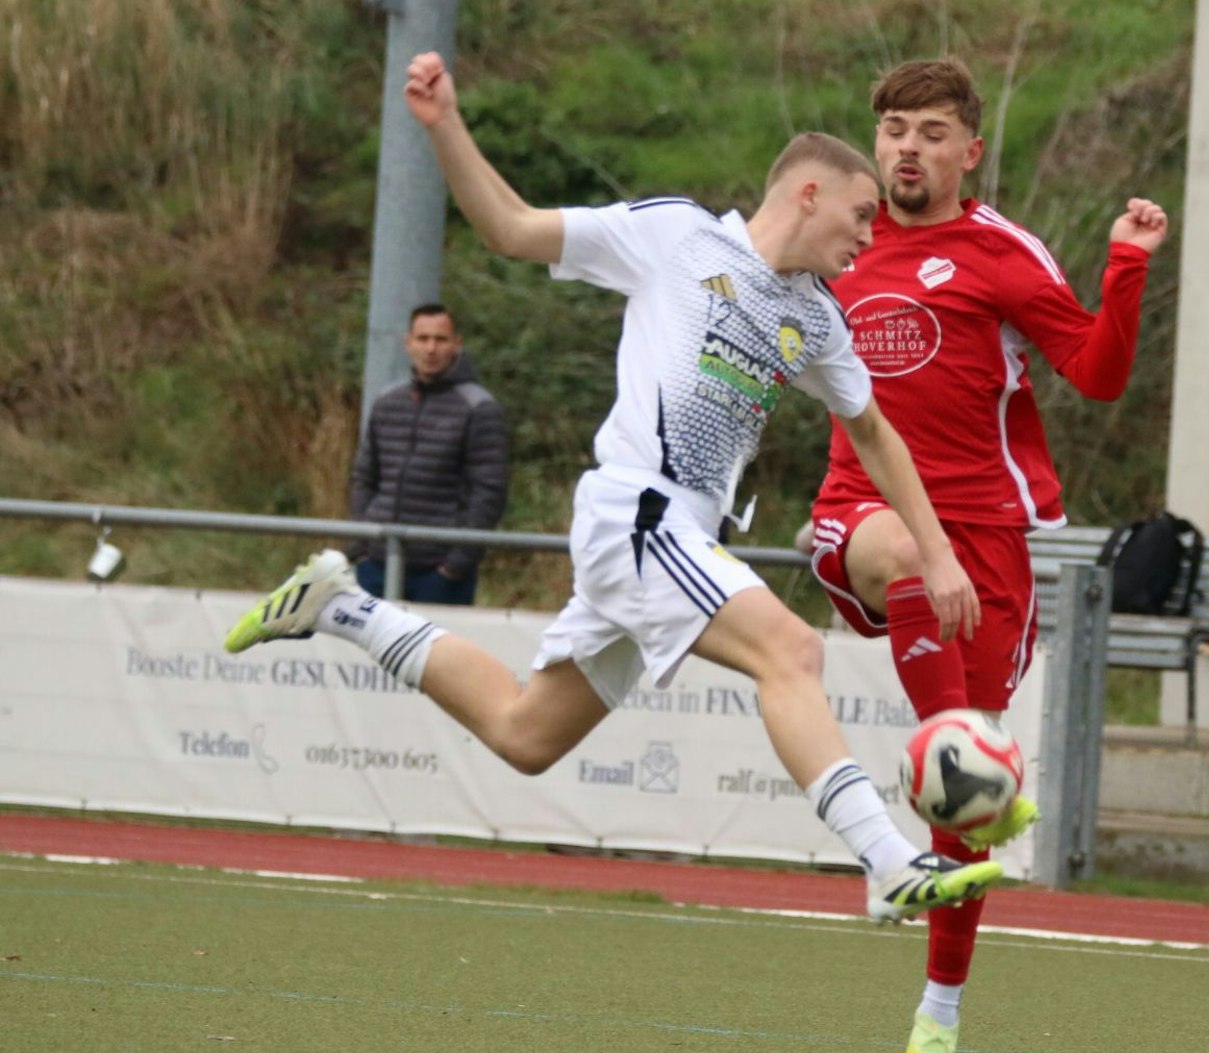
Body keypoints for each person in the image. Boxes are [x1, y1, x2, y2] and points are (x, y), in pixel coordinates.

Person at [224, 51, 1002, 926]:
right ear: (809, 194)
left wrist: (937, 554)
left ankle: (342, 607)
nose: (870, 236)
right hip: (636, 511)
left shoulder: (817, 315)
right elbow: (512, 228)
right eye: (861, 216)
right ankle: (888, 859)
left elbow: (874, 433)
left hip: (682, 538)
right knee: (792, 652)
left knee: (527, 735)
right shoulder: (676, 235)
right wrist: (444, 124)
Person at [803, 58, 1167, 1053]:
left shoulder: (999, 255)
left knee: (956, 827)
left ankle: (937, 1015)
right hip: (863, 514)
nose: (904, 150)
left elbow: (1094, 374)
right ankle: (967, 761)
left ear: (968, 151)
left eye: (927, 133)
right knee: (949, 728)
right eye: (891, 132)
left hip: (990, 538)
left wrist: (1127, 264)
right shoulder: (840, 242)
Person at [348, 303, 510, 605]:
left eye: (440, 339)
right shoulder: (387, 402)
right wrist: (360, 547)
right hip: (375, 565)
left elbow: (488, 493)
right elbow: (364, 476)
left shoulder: (480, 408)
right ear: (408, 343)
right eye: (422, 339)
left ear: (456, 345)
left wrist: (456, 565)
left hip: (440, 575)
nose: (431, 349)